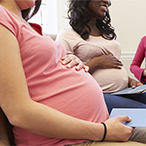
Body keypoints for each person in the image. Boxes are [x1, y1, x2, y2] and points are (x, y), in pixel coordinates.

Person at [0, 0, 146, 146]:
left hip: (99, 123)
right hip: (63, 139)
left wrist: (70, 62)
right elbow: (18, 113)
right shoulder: (3, 17)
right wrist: (104, 131)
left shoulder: (27, 24)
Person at [56, 0, 146, 113]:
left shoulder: (106, 33)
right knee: (143, 112)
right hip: (96, 94)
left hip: (123, 91)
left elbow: (112, 63)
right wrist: (96, 63)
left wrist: (129, 80)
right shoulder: (67, 33)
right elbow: (63, 77)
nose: (107, 1)